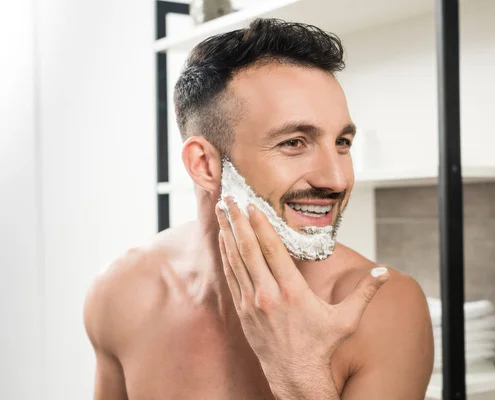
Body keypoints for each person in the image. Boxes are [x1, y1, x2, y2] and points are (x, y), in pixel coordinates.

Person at [84, 18, 434, 399]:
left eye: (342, 142)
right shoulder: (123, 291)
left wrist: (299, 372)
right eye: (294, 142)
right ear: (204, 164)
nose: (336, 179)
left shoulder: (383, 309)